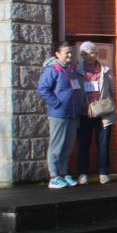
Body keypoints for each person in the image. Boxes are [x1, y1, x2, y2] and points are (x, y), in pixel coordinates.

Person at [37, 42, 83, 189]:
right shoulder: (52, 69)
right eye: (66, 53)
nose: (69, 55)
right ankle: (54, 176)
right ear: (57, 54)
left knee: (68, 146)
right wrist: (56, 103)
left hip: (73, 114)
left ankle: (63, 173)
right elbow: (43, 89)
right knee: (57, 146)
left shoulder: (72, 69)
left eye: (70, 52)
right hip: (59, 114)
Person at [75, 41, 117, 185]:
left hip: (103, 112)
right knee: (84, 143)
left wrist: (114, 106)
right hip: (84, 112)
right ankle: (83, 173)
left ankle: (103, 172)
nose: (92, 55)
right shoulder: (77, 70)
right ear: (82, 55)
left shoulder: (105, 70)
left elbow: (113, 89)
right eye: (87, 53)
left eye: (93, 52)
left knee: (104, 144)